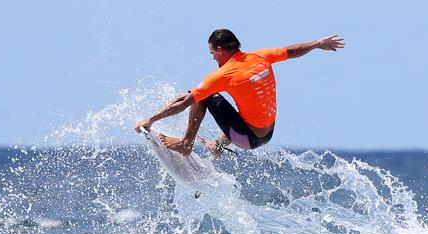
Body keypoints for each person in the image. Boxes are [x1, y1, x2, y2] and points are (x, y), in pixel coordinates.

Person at [135, 29, 344, 157]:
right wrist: (318, 44)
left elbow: (185, 101)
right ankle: (217, 146)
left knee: (203, 95)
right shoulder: (261, 56)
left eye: (212, 53)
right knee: (247, 106)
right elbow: (293, 49)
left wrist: (151, 119)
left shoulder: (223, 75)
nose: (213, 58)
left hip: (247, 138)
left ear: (220, 50)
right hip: (268, 133)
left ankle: (185, 145)